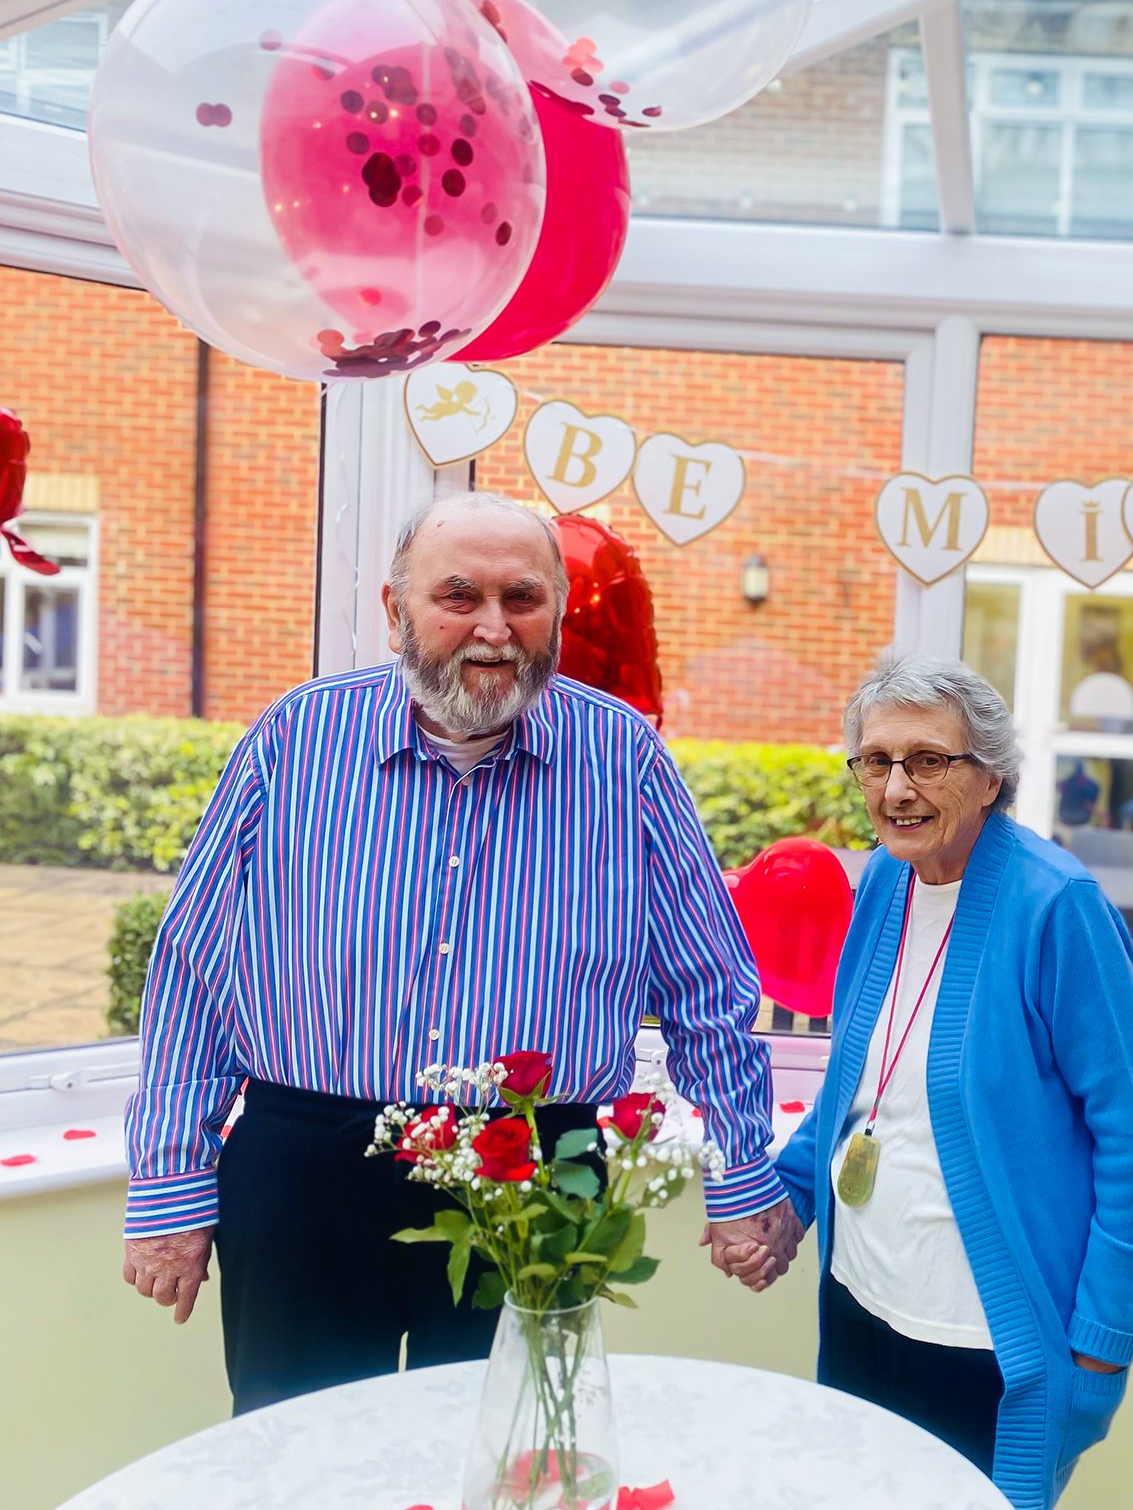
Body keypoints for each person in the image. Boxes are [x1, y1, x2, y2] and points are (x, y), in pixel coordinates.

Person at [120, 491, 803, 1414]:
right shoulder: (295, 737)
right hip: (308, 1167)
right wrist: (169, 1183)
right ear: (396, 610)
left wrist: (741, 1175)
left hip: (533, 1170)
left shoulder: (625, 759)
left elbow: (706, 991)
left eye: (522, 598)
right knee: (301, 1463)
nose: (493, 628)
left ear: (557, 611)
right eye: (458, 596)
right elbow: (194, 972)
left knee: (513, 1456)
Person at [721, 656, 1133, 1510]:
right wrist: (787, 1202)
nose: (896, 787)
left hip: (985, 1343)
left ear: (990, 775)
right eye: (875, 761)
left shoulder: (1058, 907)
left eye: (928, 760)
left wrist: (1100, 1344)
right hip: (862, 1302)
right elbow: (858, 1088)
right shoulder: (887, 882)